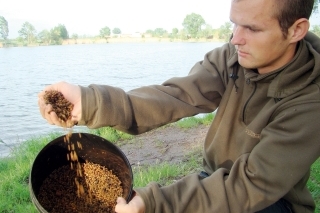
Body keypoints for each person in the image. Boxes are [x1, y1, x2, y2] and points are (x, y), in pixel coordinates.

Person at [38, 0, 320, 212]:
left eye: (252, 28)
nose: (235, 38)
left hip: (271, 201)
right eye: (235, 23)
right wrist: (88, 102)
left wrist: (152, 201)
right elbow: (174, 97)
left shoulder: (311, 102)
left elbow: (252, 184)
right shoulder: (233, 58)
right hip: (213, 178)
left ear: (296, 30)